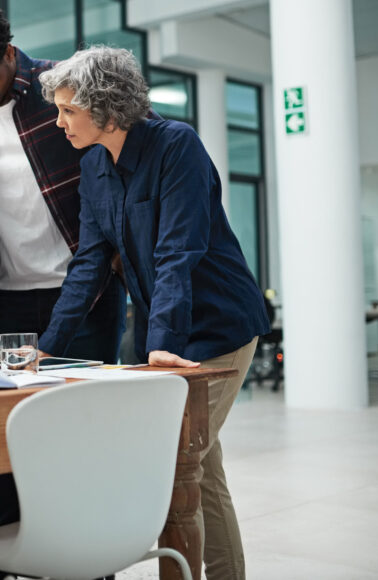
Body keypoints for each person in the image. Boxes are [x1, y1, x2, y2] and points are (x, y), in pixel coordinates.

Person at [37, 46, 270, 580]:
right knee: (201, 469)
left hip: (219, 327)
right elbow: (90, 262)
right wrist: (48, 344)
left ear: (107, 109)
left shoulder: (176, 146)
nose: (59, 121)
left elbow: (176, 253)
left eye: (69, 110)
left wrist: (161, 342)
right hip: (168, 329)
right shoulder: (94, 163)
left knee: (177, 463)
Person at [0, 2, 126, 580]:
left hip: (86, 288)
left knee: (77, 431)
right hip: (10, 293)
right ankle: (0, 562)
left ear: (9, 54)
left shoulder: (63, 89)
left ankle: (88, 560)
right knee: (5, 432)